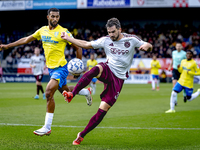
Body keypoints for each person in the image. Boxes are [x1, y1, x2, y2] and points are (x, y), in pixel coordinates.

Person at [0, 8, 92, 136]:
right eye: (53, 16)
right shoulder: (42, 31)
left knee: (48, 92)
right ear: (48, 17)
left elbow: (78, 47)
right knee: (65, 91)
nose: (55, 19)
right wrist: (7, 46)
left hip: (61, 67)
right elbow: (26, 39)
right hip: (51, 68)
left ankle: (47, 127)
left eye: (57, 17)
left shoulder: (63, 32)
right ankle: (85, 92)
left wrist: (78, 66)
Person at [61, 17, 152, 145]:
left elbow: (148, 45)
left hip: (118, 80)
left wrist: (147, 46)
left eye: (113, 32)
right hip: (108, 69)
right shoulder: (105, 40)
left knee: (102, 111)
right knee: (95, 69)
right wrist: (68, 39)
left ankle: (81, 135)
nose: (111, 35)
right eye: (109, 32)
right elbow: (86, 44)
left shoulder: (131, 40)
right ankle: (72, 94)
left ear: (119, 29)